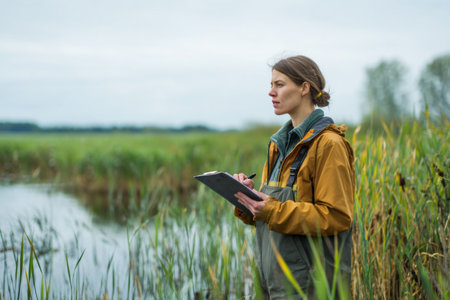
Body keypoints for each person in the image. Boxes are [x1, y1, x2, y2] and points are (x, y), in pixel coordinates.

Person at [233, 55, 355, 299]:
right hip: (274, 283)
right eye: (271, 85)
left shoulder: (329, 144)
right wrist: (245, 199)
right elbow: (268, 216)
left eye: (279, 84)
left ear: (304, 88)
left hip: (311, 287)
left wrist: (271, 210)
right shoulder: (278, 144)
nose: (271, 92)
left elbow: (337, 217)